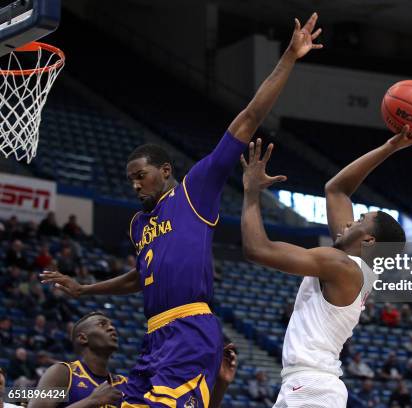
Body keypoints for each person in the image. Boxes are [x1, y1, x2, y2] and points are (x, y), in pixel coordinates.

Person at [40, 12, 323, 408]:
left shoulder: (195, 191)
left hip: (191, 327)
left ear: (166, 171)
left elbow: (247, 120)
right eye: (130, 179)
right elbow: (140, 277)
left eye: (141, 175)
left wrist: (289, 57)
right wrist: (85, 288)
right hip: (154, 335)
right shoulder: (138, 225)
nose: (135, 184)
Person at [240, 123, 412, 407]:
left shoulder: (341, 265)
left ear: (367, 239)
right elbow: (337, 190)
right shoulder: (354, 265)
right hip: (309, 386)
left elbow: (258, 249)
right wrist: (390, 147)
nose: (351, 220)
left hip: (312, 388)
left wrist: (251, 192)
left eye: (360, 219)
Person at [29, 312, 237, 408]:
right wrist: (91, 401)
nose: (112, 328)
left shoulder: (126, 386)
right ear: (82, 337)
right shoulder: (63, 374)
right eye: (102, 324)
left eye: (111, 324)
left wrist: (221, 384)